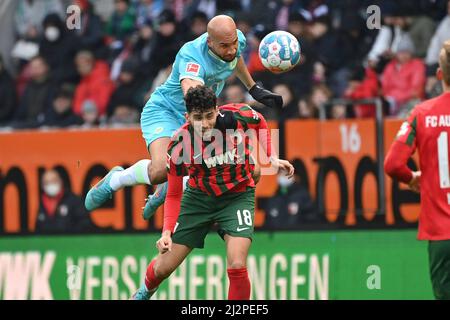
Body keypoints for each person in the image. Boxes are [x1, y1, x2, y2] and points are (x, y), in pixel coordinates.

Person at [85, 15, 282, 220]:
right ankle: (116, 180)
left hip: (202, 114)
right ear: (209, 42)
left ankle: (172, 182)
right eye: (225, 46)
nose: (231, 50)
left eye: (233, 44)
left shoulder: (235, 40)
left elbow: (236, 58)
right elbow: (192, 92)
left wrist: (253, 88)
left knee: (243, 169)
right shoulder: (191, 57)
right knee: (160, 170)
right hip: (167, 111)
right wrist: (221, 116)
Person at [131, 85, 294, 300]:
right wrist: (166, 232)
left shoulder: (236, 116)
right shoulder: (180, 144)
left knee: (237, 264)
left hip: (237, 196)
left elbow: (260, 121)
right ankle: (144, 292)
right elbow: (174, 194)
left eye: (209, 115)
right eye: (198, 117)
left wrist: (271, 156)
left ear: (217, 110)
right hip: (198, 200)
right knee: (163, 268)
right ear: (187, 116)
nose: (205, 123)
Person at [384, 40, 450, 300]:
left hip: (442, 234)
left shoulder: (422, 113)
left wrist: (412, 178)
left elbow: (392, 164)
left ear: (439, 74)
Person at [36, 169, 94, 233]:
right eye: (46, 182)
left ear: (60, 181)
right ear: (42, 185)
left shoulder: (74, 201)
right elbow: (38, 228)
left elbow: (85, 224)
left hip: (71, 241)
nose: (50, 184)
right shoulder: (42, 203)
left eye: (54, 180)